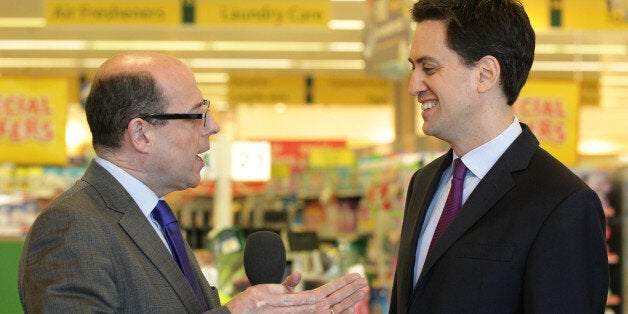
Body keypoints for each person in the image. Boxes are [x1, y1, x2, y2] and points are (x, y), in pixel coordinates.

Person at [18, 52, 367, 313]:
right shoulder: (73, 227)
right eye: (196, 114)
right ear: (141, 133)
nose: (212, 126)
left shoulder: (154, 217)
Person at [390, 0, 609, 313]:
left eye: (430, 68)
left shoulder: (563, 203)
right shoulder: (423, 183)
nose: (413, 86)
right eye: (414, 69)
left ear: (485, 74)